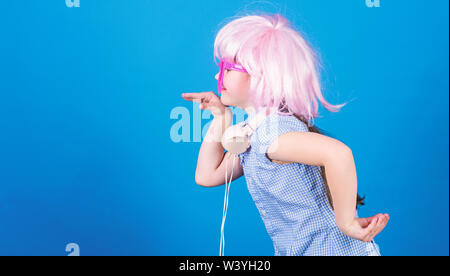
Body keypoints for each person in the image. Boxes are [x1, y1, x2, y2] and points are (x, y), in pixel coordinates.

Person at [182, 13, 389, 256]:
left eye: (227, 69)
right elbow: (207, 176)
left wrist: (347, 223)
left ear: (261, 75)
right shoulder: (254, 134)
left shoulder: (272, 135)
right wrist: (221, 118)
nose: (218, 76)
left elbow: (338, 154)